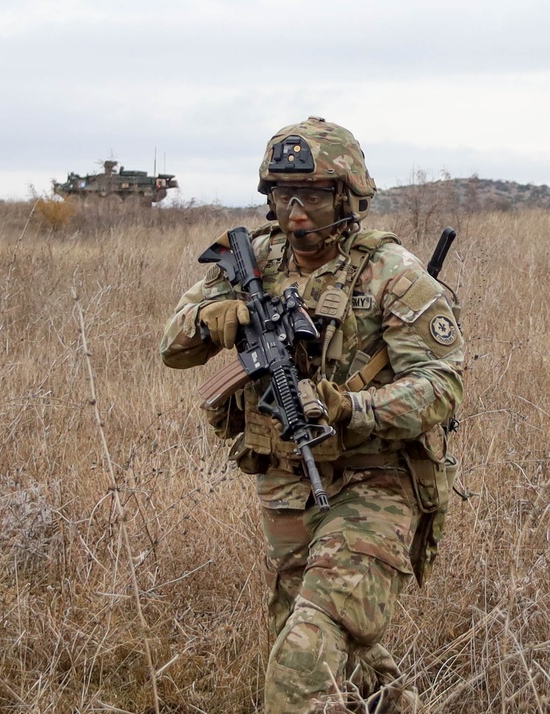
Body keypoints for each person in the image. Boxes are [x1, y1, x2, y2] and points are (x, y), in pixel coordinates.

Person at [160, 117, 465, 713]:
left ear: (348, 197)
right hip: (284, 478)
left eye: (315, 197)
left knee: (304, 652)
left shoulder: (391, 272)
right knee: (316, 637)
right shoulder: (247, 261)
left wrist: (354, 406)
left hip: (377, 480)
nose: (297, 213)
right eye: (283, 195)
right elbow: (173, 347)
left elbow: (443, 385)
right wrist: (212, 320)